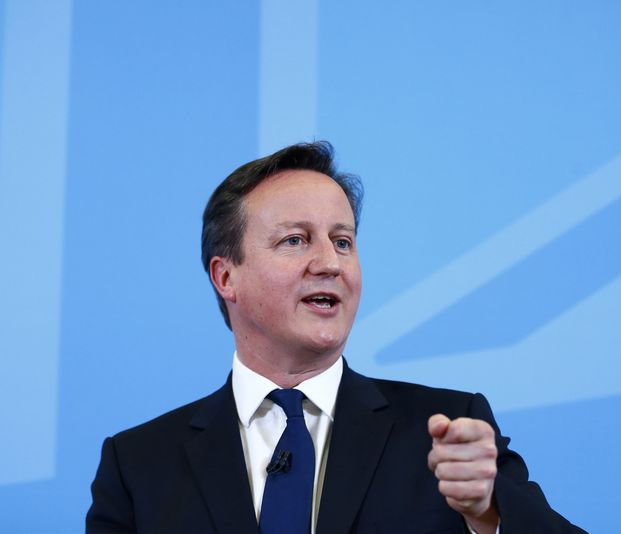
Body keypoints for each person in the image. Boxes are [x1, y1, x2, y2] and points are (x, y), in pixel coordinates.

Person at [86, 141, 586, 533]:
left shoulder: (449, 432)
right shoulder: (138, 466)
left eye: (342, 241)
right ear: (226, 277)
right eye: (295, 239)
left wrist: (489, 514)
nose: (329, 263)